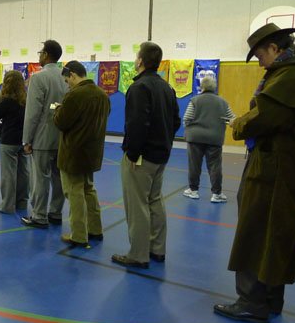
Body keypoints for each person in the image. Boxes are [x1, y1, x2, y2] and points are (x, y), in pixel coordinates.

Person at [213, 23, 295, 323]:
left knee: (255, 233)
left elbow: (262, 119)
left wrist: (238, 124)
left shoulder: (291, 76)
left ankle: (251, 302)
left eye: (259, 54)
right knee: (278, 235)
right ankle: (271, 299)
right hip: (293, 172)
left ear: (276, 48)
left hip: (272, 172)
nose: (259, 62)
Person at [111, 41, 180, 268]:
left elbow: (137, 124)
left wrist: (132, 153)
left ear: (140, 61)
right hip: (161, 154)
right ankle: (157, 249)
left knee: (137, 204)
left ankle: (138, 254)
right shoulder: (167, 88)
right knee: (155, 200)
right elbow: (175, 121)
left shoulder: (139, 87)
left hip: (142, 156)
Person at [54, 61, 110, 247]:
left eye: (66, 80)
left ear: (72, 75)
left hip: (73, 153)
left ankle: (78, 234)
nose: (67, 83)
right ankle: (95, 229)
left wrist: (58, 109)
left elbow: (61, 122)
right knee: (89, 189)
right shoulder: (102, 95)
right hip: (92, 152)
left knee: (74, 192)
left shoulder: (75, 95)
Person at [20, 39, 69, 229]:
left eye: (40, 52)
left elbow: (32, 112)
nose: (39, 56)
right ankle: (55, 212)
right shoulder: (66, 77)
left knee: (40, 177)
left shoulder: (39, 78)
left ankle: (39, 215)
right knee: (58, 177)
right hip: (62, 137)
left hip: (42, 136)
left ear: (46, 54)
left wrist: (27, 139)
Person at [182, 75, 235, 203]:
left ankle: (193, 191)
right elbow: (232, 119)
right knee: (215, 166)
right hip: (215, 138)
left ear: (202, 87)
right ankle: (216, 194)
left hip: (195, 138)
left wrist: (190, 130)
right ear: (214, 87)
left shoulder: (195, 100)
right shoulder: (223, 102)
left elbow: (186, 119)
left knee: (194, 165)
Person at [0, 70, 29, 213]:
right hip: (23, 139)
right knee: (23, 173)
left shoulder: (6, 100)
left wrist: (1, 96)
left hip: (9, 140)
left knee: (8, 174)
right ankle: (22, 202)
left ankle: (7, 205)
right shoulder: (26, 99)